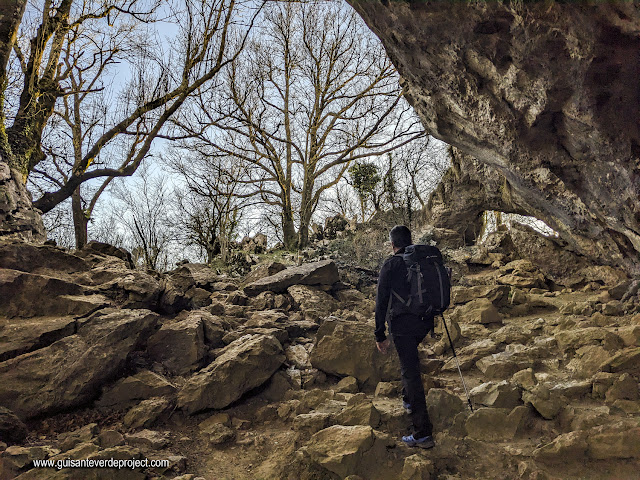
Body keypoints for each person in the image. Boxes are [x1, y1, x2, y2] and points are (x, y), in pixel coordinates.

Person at [375, 225, 435, 449]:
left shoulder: (391, 264)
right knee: (408, 363)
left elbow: (381, 302)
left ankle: (423, 433)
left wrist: (379, 334)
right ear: (410, 241)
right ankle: (408, 401)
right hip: (425, 321)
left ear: (392, 244)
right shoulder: (422, 260)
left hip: (402, 326)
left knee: (411, 373)